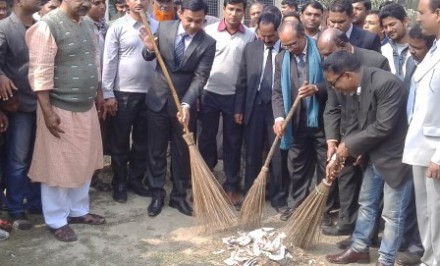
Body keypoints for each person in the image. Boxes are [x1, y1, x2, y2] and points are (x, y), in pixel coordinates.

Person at [26, 0, 106, 242]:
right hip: (59, 109)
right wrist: (48, 112)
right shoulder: (47, 26)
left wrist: (98, 92)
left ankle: (78, 211)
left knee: (83, 161)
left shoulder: (87, 25)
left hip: (85, 106)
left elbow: (93, 61)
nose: (88, 3)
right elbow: (40, 71)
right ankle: (56, 220)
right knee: (58, 166)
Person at [324, 51, 413, 266]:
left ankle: (386, 260)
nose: (334, 89)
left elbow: (384, 126)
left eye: (334, 83)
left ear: (346, 75)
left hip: (395, 158)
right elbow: (355, 124)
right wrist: (339, 155)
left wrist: (348, 147)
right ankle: (359, 248)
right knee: (366, 203)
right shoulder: (355, 88)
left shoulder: (387, 84)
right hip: (373, 155)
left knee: (392, 215)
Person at [142, 0, 215, 217]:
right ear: (180, 12)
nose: (193, 25)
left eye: (199, 21)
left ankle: (178, 195)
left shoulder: (208, 43)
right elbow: (149, 56)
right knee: (156, 150)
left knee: (181, 152)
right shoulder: (163, 28)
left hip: (184, 105)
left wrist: (186, 104)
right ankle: (157, 193)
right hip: (157, 99)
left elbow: (200, 77)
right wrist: (148, 49)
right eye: (189, 20)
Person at [318, 28, 390, 238]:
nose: (324, 58)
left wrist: (362, 144)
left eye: (327, 53)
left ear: (342, 46)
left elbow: (379, 110)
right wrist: (332, 141)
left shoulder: (376, 62)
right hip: (346, 133)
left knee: (371, 188)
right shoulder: (331, 67)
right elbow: (332, 107)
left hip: (372, 135)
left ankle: (369, 233)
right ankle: (346, 223)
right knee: (346, 178)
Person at [198, 0, 255, 209]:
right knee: (206, 138)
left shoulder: (249, 35)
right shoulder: (209, 31)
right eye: (230, 9)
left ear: (244, 12)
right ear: (224, 10)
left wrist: (241, 104)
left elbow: (249, 70)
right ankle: (206, 181)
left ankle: (231, 185)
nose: (234, 13)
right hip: (208, 93)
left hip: (234, 96)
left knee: (232, 142)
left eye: (238, 10)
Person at [272, 21, 327, 221]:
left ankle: (324, 210)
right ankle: (299, 207)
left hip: (322, 120)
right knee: (296, 166)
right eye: (285, 45)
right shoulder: (281, 59)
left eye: (293, 44)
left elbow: (336, 82)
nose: (289, 49)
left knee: (324, 165)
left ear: (303, 35)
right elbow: (277, 92)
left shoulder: (322, 51)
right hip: (295, 122)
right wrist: (279, 118)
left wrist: (317, 88)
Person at [103, 0, 157, 203]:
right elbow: (109, 60)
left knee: (143, 141)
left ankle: (136, 179)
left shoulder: (158, 25)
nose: (139, 2)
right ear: (127, 1)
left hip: (151, 93)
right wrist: (108, 92)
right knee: (120, 140)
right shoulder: (117, 26)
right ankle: (119, 182)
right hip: (123, 93)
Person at [234, 12, 286, 213]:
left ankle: (278, 197)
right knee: (252, 152)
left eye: (270, 36)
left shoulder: (286, 51)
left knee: (277, 154)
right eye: (262, 35)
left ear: (278, 31)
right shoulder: (251, 48)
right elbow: (242, 81)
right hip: (254, 106)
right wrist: (239, 108)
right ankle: (251, 194)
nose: (266, 40)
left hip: (277, 108)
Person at [0, 0, 43, 230]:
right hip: (19, 106)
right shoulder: (4, 28)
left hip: (44, 103)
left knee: (39, 158)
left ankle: (36, 203)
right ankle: (16, 208)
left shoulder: (42, 26)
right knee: (18, 160)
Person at [403, 0, 440, 264]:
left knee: (435, 213)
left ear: (438, 14)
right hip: (421, 144)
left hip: (434, 149)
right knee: (426, 212)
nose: (418, 18)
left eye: (422, 13)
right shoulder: (435, 47)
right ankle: (430, 258)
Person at [394, 23, 434, 266]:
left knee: (433, 208)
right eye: (409, 47)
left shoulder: (435, 63)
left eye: (417, 48)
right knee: (418, 204)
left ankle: (427, 254)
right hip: (413, 140)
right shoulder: (411, 61)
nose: (411, 52)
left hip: (431, 147)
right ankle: (421, 251)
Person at [379, 3, 410, 80]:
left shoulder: (422, 48)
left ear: (405, 21)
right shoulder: (383, 51)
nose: (389, 30)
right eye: (385, 27)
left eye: (392, 24)